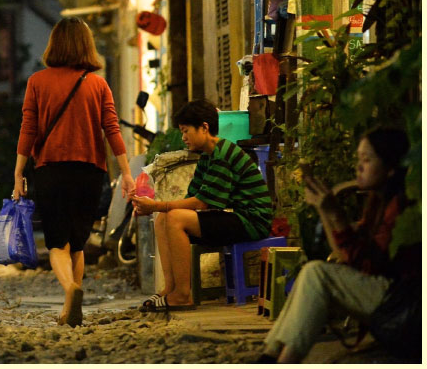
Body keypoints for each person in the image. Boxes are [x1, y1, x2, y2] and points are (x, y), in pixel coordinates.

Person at [11, 17, 135, 327]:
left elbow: (28, 129)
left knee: (57, 244)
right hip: (89, 172)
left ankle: (70, 289)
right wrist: (127, 173)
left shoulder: (37, 82)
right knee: (78, 243)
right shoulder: (98, 84)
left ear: (55, 44)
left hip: (51, 171)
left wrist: (18, 174)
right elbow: (112, 130)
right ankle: (70, 309)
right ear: (86, 45)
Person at [259, 128, 417, 363]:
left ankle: (282, 361)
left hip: (400, 300)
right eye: (358, 159)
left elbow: (365, 262)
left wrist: (336, 215)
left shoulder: (401, 205)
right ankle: (270, 356)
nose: (359, 167)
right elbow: (343, 254)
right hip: (385, 293)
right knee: (313, 271)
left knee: (316, 273)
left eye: (367, 160)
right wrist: (325, 209)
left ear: (391, 167)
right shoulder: (377, 199)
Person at [131, 99, 273, 312]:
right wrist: (156, 209)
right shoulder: (207, 156)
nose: (183, 137)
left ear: (204, 127)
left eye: (186, 131)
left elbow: (202, 203)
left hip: (252, 220)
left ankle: (183, 295)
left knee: (173, 217)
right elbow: (193, 198)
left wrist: (155, 205)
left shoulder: (223, 153)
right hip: (236, 217)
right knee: (163, 220)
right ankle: (170, 288)